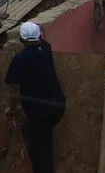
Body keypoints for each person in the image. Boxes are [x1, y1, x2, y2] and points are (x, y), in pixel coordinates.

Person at [4, 21, 66, 173]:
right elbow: (42, 36)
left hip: (39, 113)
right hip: (57, 106)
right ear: (39, 36)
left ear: (22, 40)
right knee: (44, 146)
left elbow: (13, 88)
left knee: (40, 155)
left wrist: (13, 109)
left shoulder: (20, 60)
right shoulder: (46, 48)